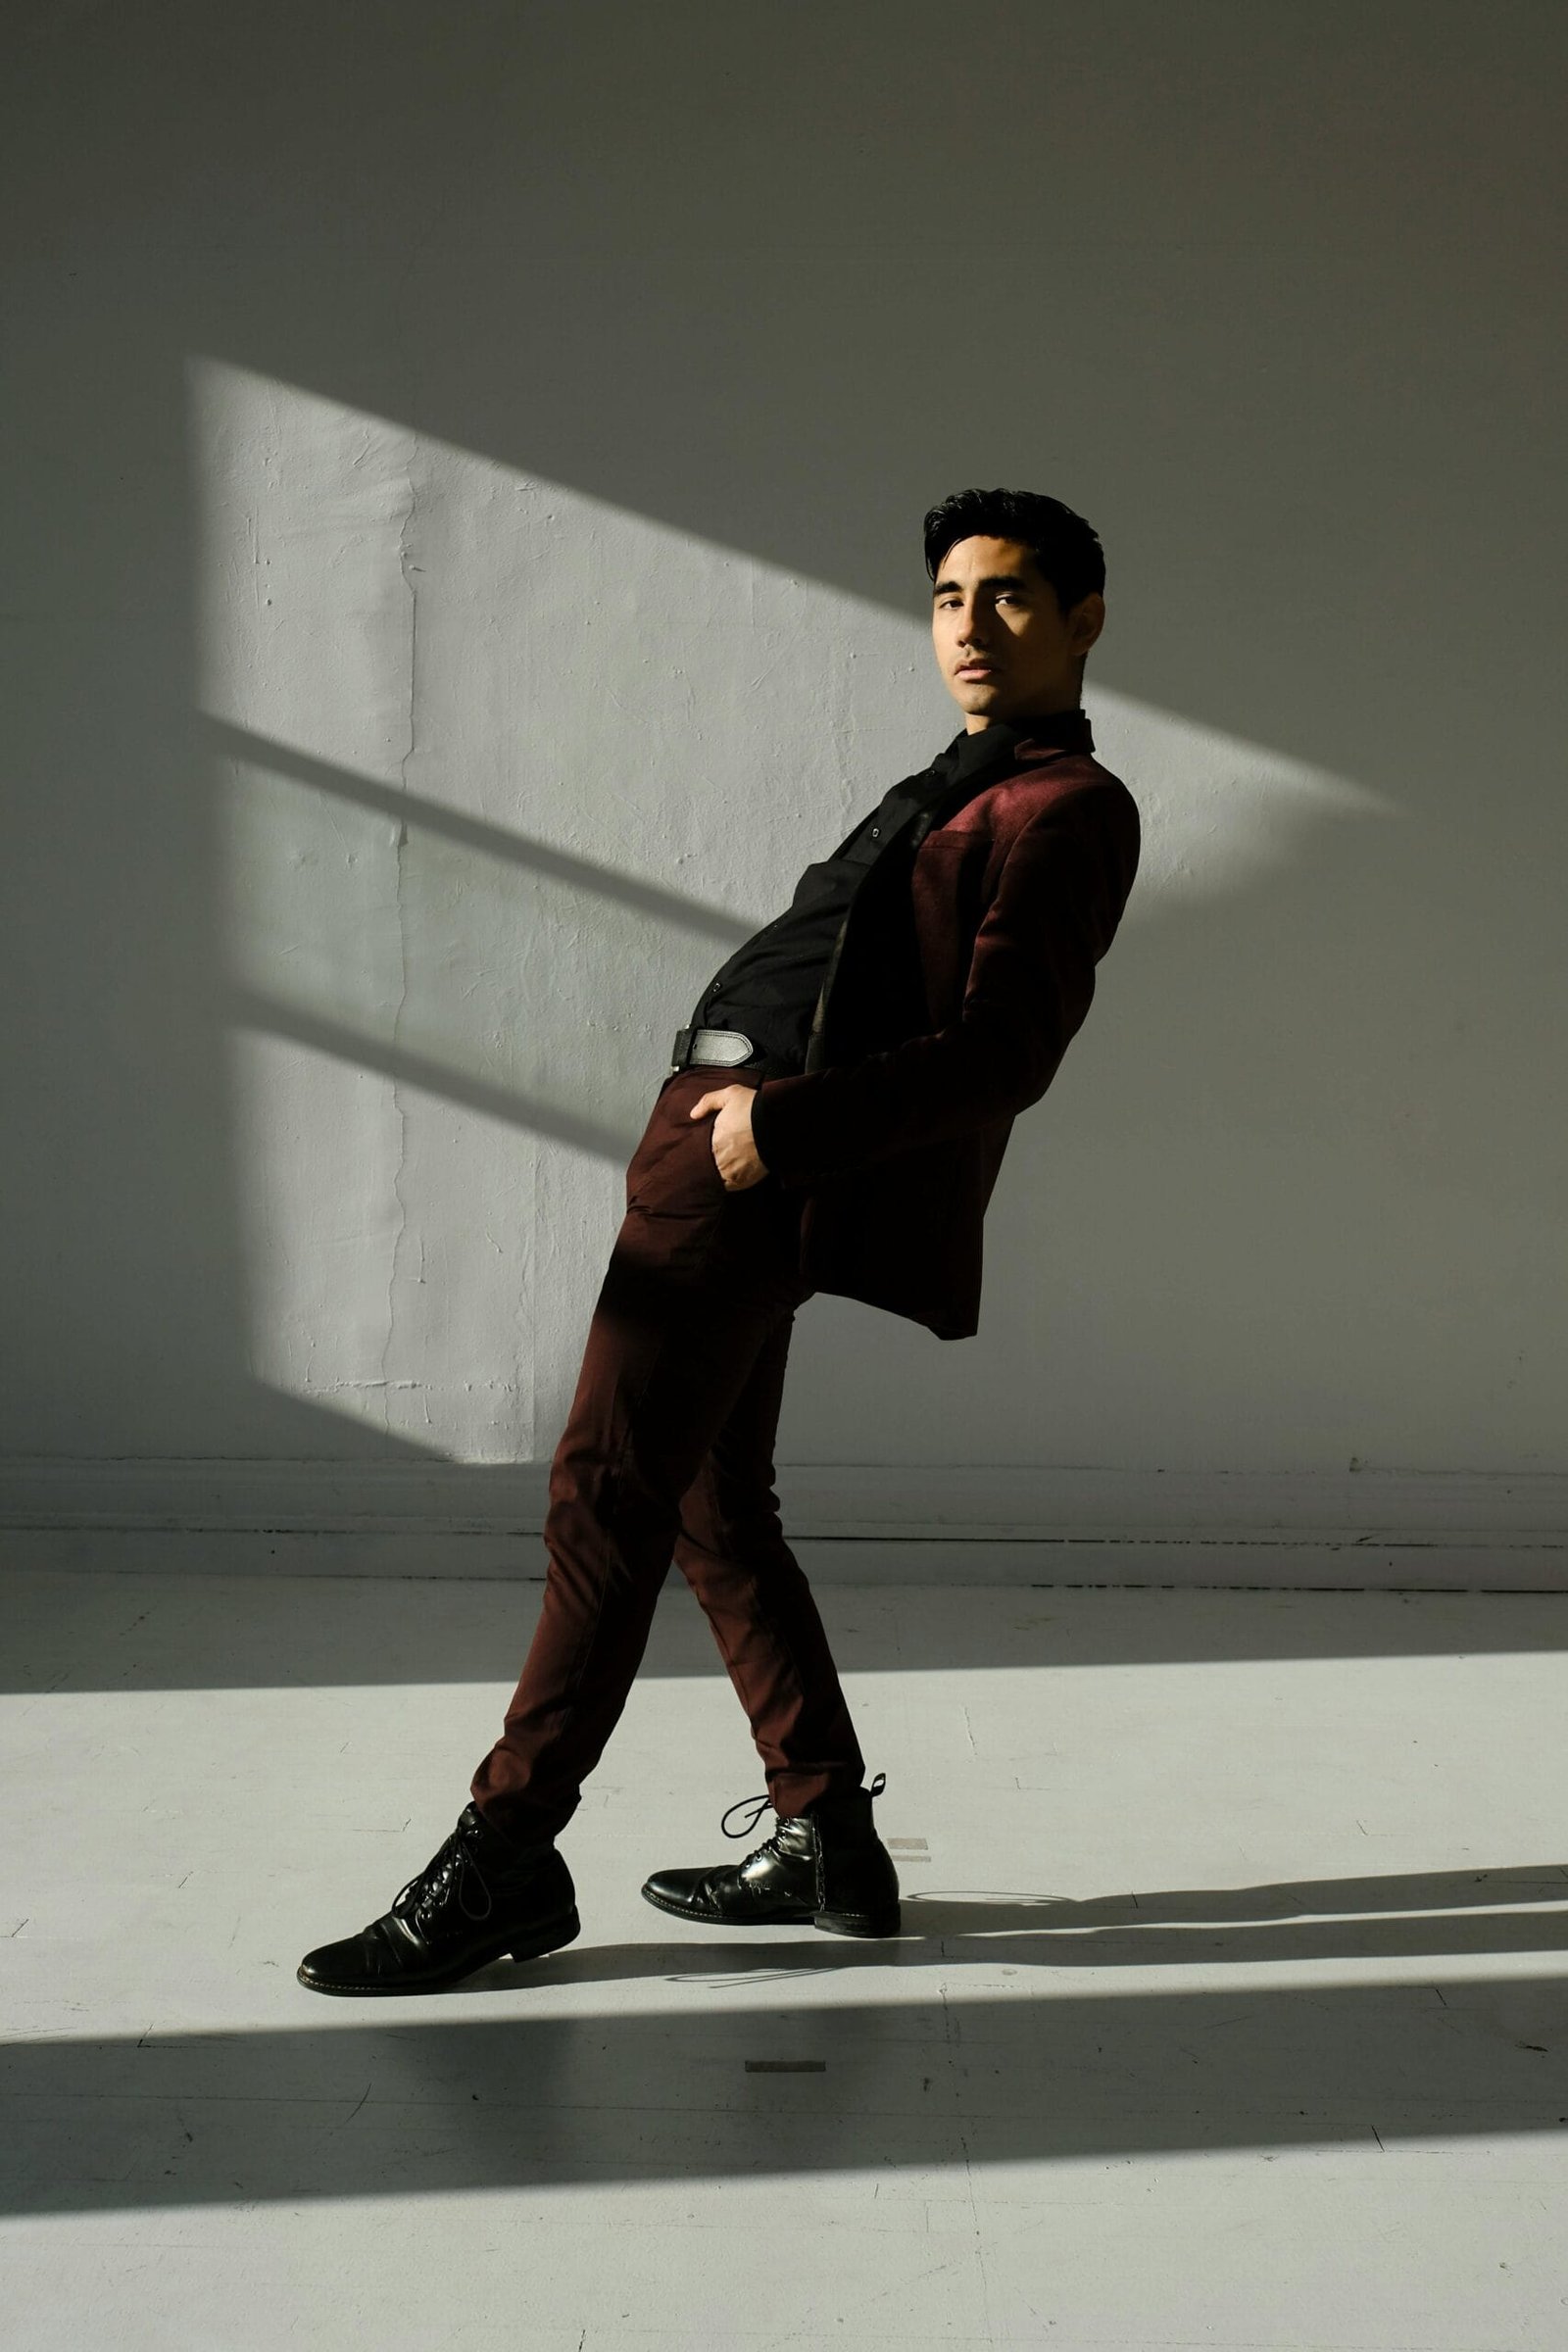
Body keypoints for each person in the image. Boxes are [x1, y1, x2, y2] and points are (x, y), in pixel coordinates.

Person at [297, 486, 1142, 1995]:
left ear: (1083, 619)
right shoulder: (961, 782)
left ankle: (507, 1848)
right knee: (707, 1497)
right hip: (730, 1148)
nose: (968, 625)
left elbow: (1006, 1051)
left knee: (603, 1488)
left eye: (1009, 596)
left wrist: (776, 1131)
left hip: (756, 1163)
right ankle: (829, 1838)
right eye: (948, 598)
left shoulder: (1066, 807)